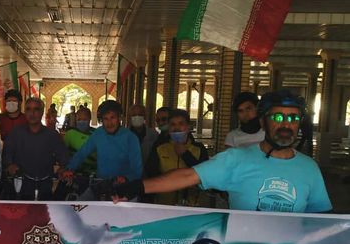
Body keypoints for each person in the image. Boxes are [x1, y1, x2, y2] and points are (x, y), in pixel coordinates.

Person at [142, 91, 332, 213]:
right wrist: (136, 188)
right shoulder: (236, 158)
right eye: (277, 117)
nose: (285, 124)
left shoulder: (310, 168)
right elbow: (188, 176)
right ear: (263, 122)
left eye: (293, 118)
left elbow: (321, 218)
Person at [63, 100, 142, 200]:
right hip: (101, 184)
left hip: (125, 188)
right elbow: (82, 153)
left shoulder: (131, 138)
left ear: (119, 118)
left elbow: (137, 170)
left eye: (112, 118)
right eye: (105, 119)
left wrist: (126, 178)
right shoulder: (98, 133)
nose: (109, 123)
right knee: (80, 205)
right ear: (101, 120)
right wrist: (69, 169)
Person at [3, 97, 69, 200]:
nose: (32, 113)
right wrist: (10, 165)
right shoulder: (16, 133)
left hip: (46, 184)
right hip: (21, 184)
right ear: (25, 112)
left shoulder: (52, 135)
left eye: (36, 109)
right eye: (28, 109)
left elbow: (63, 158)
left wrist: (63, 169)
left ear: (42, 112)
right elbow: (7, 154)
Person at [146, 109, 208, 206]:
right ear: (169, 128)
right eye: (173, 124)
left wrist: (185, 154)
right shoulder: (160, 148)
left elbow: (205, 176)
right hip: (164, 204)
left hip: (191, 204)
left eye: (181, 124)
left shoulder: (199, 149)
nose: (176, 128)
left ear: (188, 127)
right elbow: (150, 174)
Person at [63, 106, 96, 175]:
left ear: (90, 119)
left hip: (92, 172)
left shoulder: (96, 134)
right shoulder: (70, 134)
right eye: (79, 119)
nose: (81, 122)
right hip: (73, 172)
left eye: (84, 119)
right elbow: (63, 154)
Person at [127, 104, 158, 170]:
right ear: (130, 117)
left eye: (140, 114)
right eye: (134, 115)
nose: (137, 117)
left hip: (149, 172)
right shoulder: (124, 135)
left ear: (145, 116)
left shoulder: (153, 134)